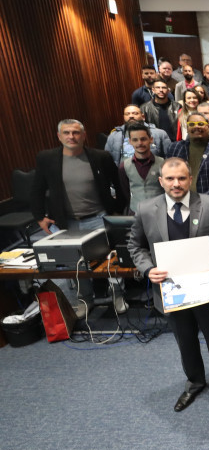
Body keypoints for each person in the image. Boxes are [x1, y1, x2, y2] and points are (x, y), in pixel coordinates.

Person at [128, 157, 209, 412]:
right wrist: (147, 269)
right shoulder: (145, 209)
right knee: (185, 339)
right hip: (170, 289)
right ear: (161, 181)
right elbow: (136, 246)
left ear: (190, 179)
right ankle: (195, 382)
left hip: (207, 286)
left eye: (181, 178)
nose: (176, 184)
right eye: (170, 179)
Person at [32, 119, 124, 314]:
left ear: (83, 135)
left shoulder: (100, 156)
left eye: (75, 132)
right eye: (66, 133)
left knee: (109, 259)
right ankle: (84, 299)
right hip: (67, 221)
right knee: (75, 264)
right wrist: (40, 217)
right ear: (59, 136)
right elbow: (37, 189)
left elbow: (118, 183)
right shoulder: (46, 158)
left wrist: (116, 210)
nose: (71, 136)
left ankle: (117, 295)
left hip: (99, 217)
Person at [166, 112, 209, 204]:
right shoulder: (174, 148)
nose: (196, 127)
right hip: (180, 202)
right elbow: (168, 175)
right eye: (192, 124)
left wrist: (204, 200)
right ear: (187, 128)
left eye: (201, 124)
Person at [118, 122, 165, 215]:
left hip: (160, 212)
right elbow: (125, 191)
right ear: (130, 141)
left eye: (143, 139)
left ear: (151, 140)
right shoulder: (124, 166)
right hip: (135, 213)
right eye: (135, 140)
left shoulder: (163, 163)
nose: (140, 143)